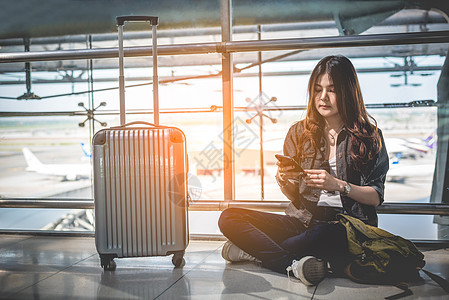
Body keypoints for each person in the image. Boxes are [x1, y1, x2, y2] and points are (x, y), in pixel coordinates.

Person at [218, 55, 389, 286]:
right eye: (318, 89)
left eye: (332, 90)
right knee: (229, 217)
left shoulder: (369, 137)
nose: (323, 98)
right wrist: (284, 179)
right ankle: (294, 264)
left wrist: (338, 185)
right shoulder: (299, 133)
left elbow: (376, 196)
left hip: (346, 225)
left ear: (348, 92)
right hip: (303, 220)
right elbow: (294, 196)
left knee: (324, 235)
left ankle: (258, 253)